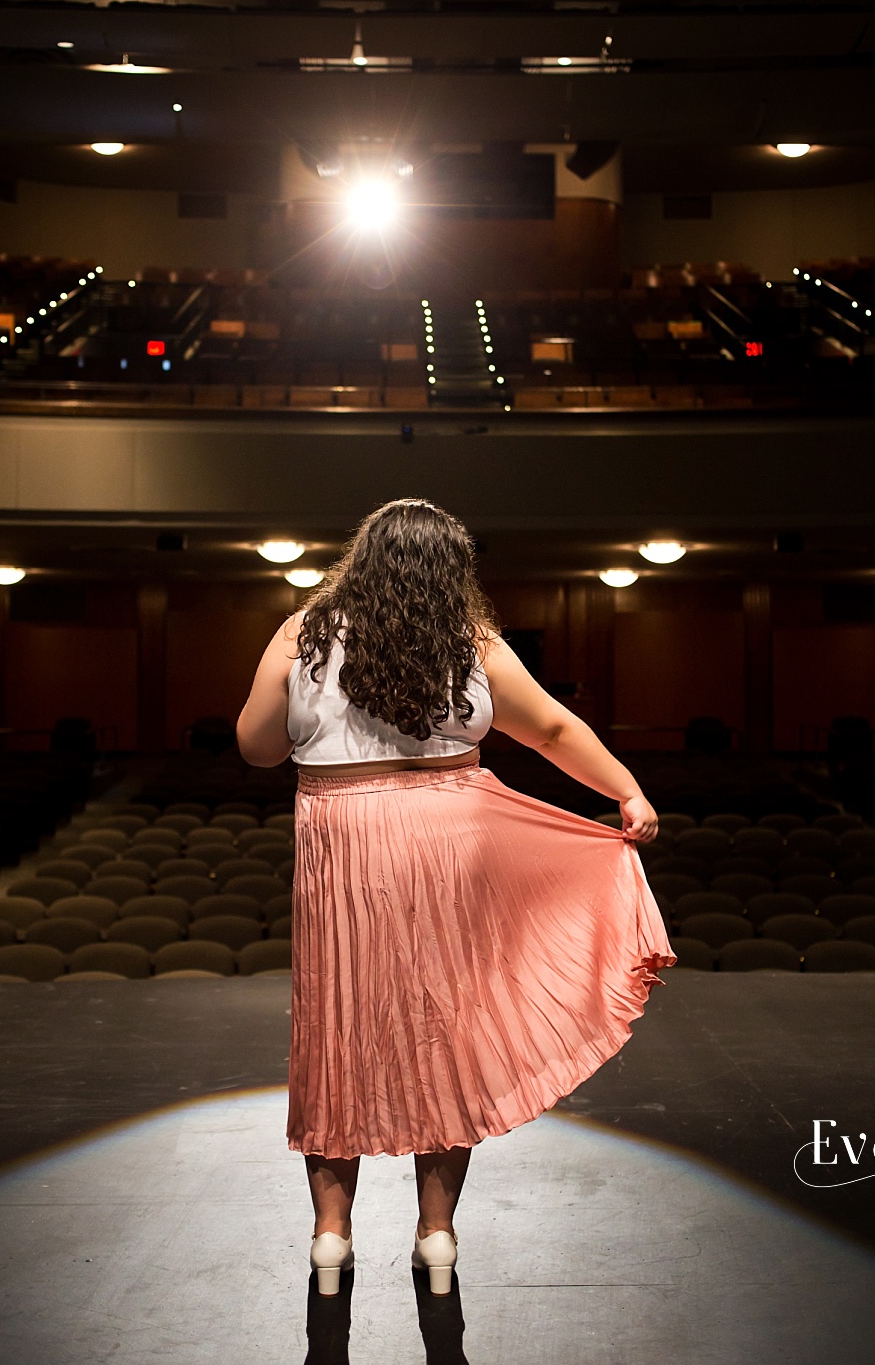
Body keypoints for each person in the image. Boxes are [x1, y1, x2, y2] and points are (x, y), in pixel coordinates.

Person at [236, 498, 673, 1297]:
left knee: (340, 1020)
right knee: (445, 1025)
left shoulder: (304, 631)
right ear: (451, 570)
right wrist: (627, 789)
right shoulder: (472, 642)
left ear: (360, 560)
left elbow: (257, 747)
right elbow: (552, 730)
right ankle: (436, 1234)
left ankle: (330, 1236)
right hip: (449, 836)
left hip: (341, 837)